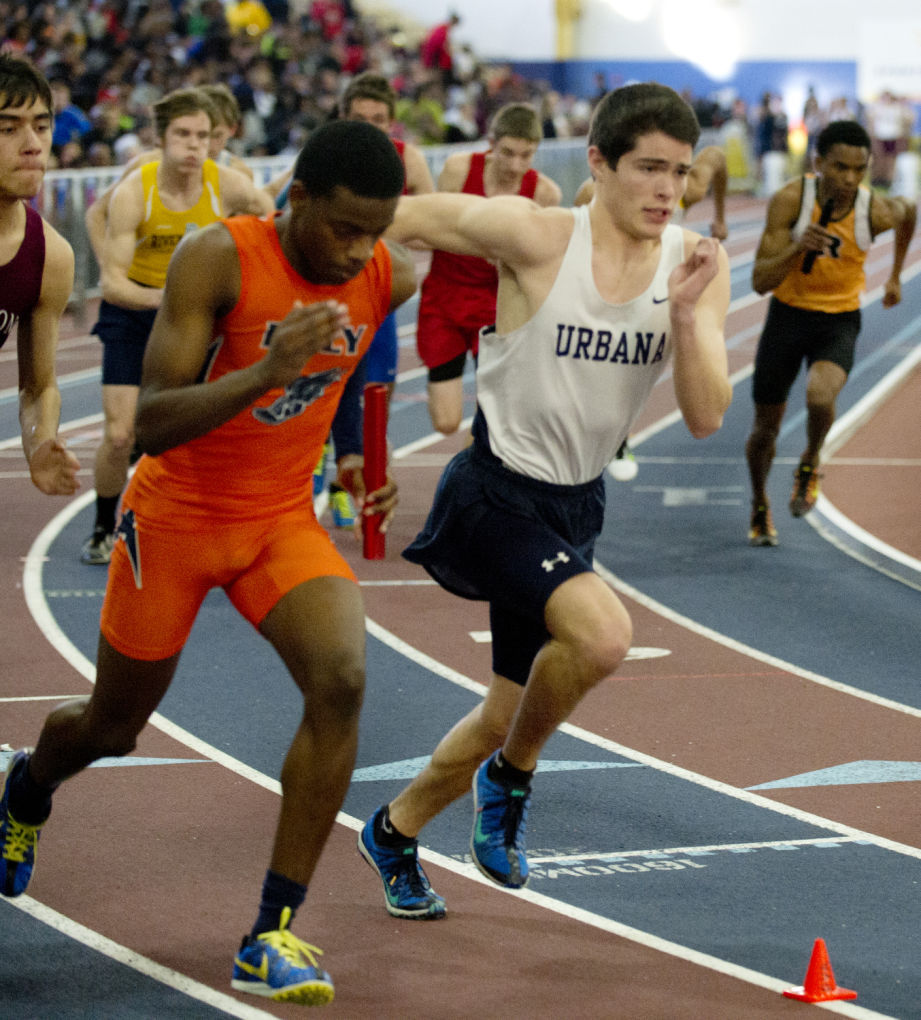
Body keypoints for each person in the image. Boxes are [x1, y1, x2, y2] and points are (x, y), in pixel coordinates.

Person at [0, 119, 416, 1004]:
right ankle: (28, 787)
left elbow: (352, 372)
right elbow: (149, 424)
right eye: (343, 228)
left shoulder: (384, 271)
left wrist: (356, 465)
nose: (357, 251)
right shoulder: (216, 259)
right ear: (296, 198)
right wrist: (265, 373)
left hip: (276, 520)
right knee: (113, 729)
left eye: (374, 231)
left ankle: (270, 933)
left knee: (341, 680)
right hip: (179, 517)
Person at [356, 83, 731, 918]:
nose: (665, 190)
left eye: (677, 172)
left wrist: (681, 316)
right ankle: (513, 780)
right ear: (596, 163)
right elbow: (400, 214)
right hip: (493, 492)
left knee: (501, 709)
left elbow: (706, 418)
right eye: (645, 169)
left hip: (574, 506)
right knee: (602, 638)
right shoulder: (534, 236)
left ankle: (393, 829)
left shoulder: (693, 264)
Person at [80, 87, 274, 564]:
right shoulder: (135, 188)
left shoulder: (228, 183)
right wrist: (166, 298)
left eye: (203, 136)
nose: (194, 146)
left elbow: (272, 221)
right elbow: (112, 286)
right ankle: (104, 524)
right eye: (183, 135)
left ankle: (195, 526)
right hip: (135, 311)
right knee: (122, 434)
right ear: (161, 138)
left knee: (198, 433)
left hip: (195, 319)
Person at [745, 119, 916, 546]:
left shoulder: (872, 209)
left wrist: (894, 275)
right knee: (765, 429)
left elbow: (908, 212)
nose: (850, 178)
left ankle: (810, 458)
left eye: (859, 169)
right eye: (840, 167)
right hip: (786, 317)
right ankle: (760, 505)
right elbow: (760, 281)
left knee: (820, 396)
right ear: (818, 162)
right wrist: (796, 248)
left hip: (838, 320)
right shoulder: (789, 200)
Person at [313, 72, 437, 527]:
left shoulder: (410, 161)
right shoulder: (323, 156)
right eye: (360, 118)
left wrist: (393, 228)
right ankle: (310, 486)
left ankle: (364, 492)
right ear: (343, 118)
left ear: (392, 123)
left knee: (371, 401)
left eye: (378, 119)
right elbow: (279, 202)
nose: (369, 127)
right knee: (313, 395)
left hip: (378, 296)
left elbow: (436, 219)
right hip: (323, 293)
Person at [417, 102, 562, 436]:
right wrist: (485, 243)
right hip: (445, 299)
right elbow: (435, 226)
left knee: (493, 423)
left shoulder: (544, 192)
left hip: (497, 306)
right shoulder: (458, 169)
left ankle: (474, 477)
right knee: (446, 421)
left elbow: (541, 262)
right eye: (507, 153)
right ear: (491, 142)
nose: (515, 165)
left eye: (526, 156)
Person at [0, 54, 80, 497]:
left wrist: (40, 441)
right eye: (7, 129)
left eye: (41, 126)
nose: (31, 144)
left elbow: (38, 386)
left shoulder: (50, 257)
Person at [574, 143, 729, 241]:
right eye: (648, 169)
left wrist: (720, 219)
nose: (664, 192)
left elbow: (716, 156)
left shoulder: (689, 190)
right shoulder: (593, 195)